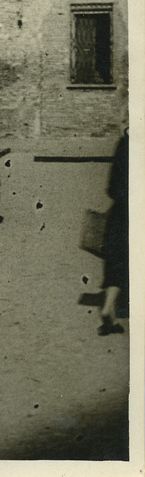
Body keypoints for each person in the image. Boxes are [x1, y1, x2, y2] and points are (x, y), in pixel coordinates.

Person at [99, 128, 128, 336]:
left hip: (119, 213)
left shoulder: (124, 144)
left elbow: (111, 188)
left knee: (116, 261)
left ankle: (108, 305)